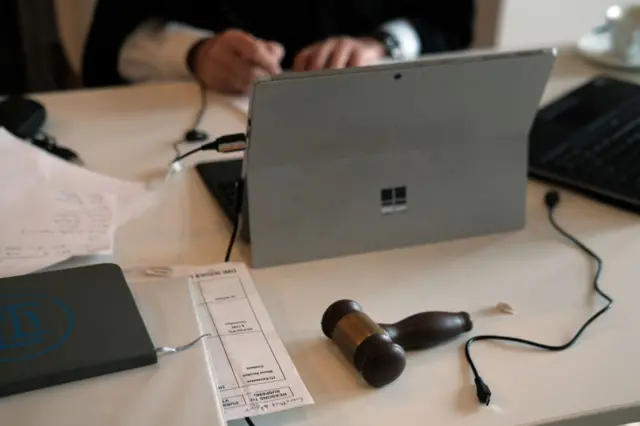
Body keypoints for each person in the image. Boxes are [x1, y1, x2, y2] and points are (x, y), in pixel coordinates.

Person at [83, 1, 476, 94]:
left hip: (371, 113)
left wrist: (381, 45)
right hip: (196, 121)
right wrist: (195, 53)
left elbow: (448, 24)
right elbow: (114, 45)